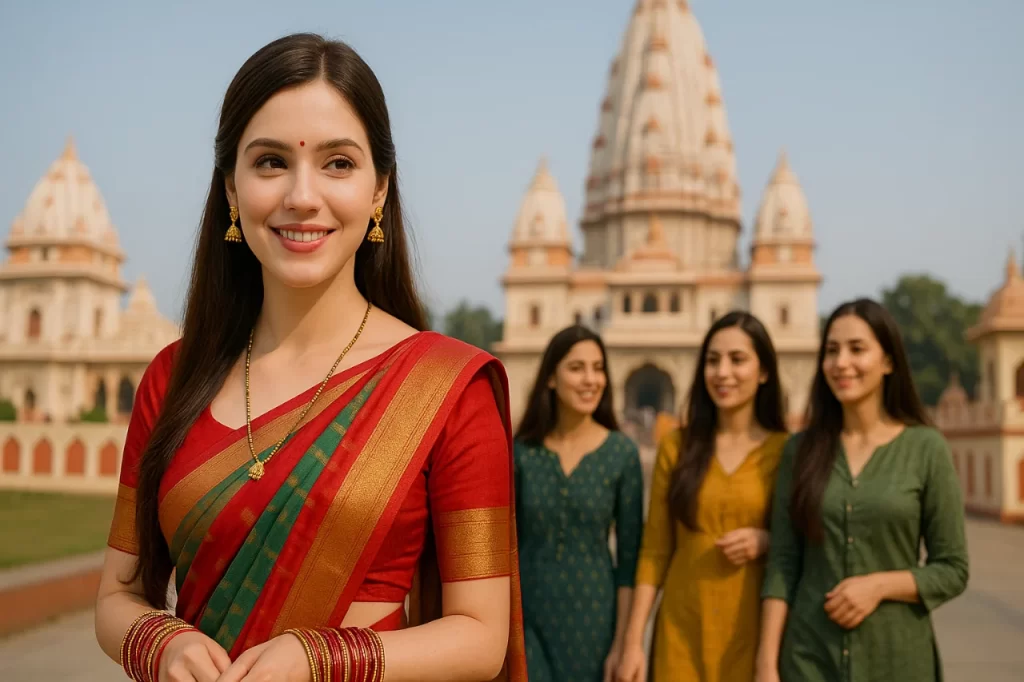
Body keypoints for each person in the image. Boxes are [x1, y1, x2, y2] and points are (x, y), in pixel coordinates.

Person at [94, 33, 526, 682]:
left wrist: (321, 658)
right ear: (231, 189)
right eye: (270, 162)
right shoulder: (174, 378)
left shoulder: (447, 388)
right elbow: (116, 597)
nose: (301, 195)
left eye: (338, 163)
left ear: (379, 190)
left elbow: (482, 637)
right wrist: (164, 644)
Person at [756, 298, 969, 682]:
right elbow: (784, 563)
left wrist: (879, 586)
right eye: (831, 351)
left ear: (888, 362)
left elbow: (953, 568)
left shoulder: (925, 448)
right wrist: (766, 664)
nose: (841, 363)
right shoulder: (801, 450)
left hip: (895, 658)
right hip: (809, 656)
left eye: (857, 349)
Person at [616, 311, 789, 682]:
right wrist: (632, 642)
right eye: (712, 360)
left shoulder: (785, 450)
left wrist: (767, 540)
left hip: (755, 633)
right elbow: (655, 551)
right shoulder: (677, 446)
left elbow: (804, 545)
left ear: (764, 371)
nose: (722, 373)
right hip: (682, 630)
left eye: (737, 359)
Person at [512, 325, 644, 682]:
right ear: (550, 378)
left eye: (598, 368)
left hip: (595, 621)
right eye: (576, 368)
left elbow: (630, 561)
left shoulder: (621, 454)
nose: (591, 380)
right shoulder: (522, 453)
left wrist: (623, 644)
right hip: (526, 618)